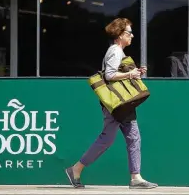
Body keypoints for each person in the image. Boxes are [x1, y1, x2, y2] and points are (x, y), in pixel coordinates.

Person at [65, 18, 158, 189]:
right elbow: (109, 75)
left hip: (122, 104)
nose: (132, 36)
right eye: (129, 33)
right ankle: (76, 169)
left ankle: (135, 177)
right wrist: (130, 75)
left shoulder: (118, 51)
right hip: (117, 104)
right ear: (121, 35)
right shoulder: (115, 50)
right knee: (108, 139)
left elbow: (117, 73)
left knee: (132, 138)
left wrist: (134, 72)